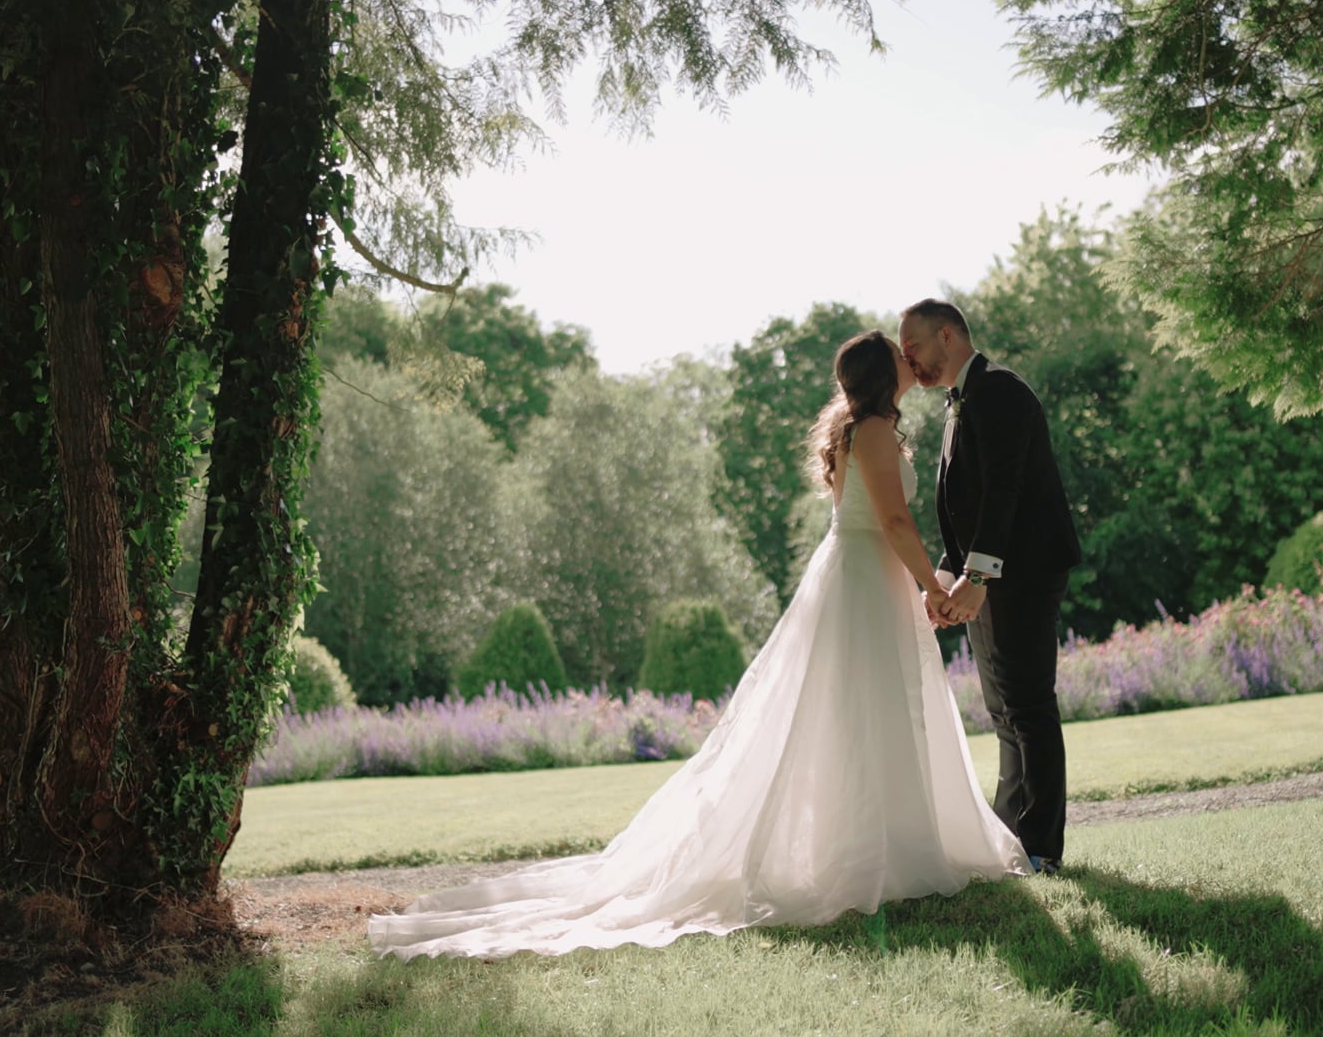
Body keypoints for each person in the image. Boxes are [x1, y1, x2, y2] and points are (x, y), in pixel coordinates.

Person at [368, 330, 1026, 961]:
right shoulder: (877, 431)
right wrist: (929, 589)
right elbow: (891, 519)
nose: (911, 358)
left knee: (871, 711)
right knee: (867, 709)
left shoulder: (862, 429)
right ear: (887, 376)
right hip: (865, 577)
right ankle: (873, 853)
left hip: (861, 575)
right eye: (899, 355)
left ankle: (887, 842)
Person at [898, 298, 1083, 875]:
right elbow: (965, 507)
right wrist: (952, 577)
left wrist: (978, 576)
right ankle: (1011, 838)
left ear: (947, 336)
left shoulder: (1001, 389)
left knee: (1028, 707)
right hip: (988, 575)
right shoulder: (962, 401)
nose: (910, 362)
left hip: (1023, 572)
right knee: (1004, 711)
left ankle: (1042, 849)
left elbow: (1003, 492)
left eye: (915, 349)